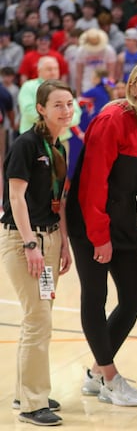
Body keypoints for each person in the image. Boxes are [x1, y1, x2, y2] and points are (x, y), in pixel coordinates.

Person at [67, 59, 137, 407]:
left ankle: (97, 372)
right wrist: (99, 236)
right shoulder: (112, 119)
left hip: (127, 222)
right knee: (95, 297)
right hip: (92, 222)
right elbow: (92, 183)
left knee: (134, 299)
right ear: (132, 87)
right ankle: (110, 378)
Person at [1, 80, 73, 426]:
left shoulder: (57, 145)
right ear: (41, 108)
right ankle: (32, 403)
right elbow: (16, 198)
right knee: (37, 320)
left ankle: (25, 390)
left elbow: (55, 201)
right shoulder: (26, 144)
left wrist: (64, 241)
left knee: (40, 317)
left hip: (50, 239)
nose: (66, 110)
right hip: (23, 241)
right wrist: (31, 244)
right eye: (58, 104)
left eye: (69, 103)